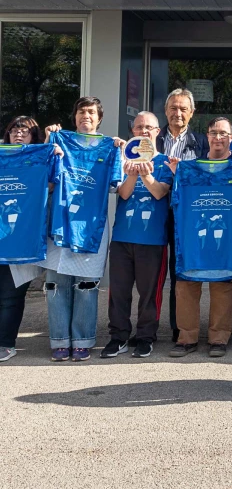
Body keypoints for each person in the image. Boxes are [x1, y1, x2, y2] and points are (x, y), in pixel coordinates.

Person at [42, 97, 123, 362]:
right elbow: (43, 176)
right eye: (80, 111)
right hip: (60, 224)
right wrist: (48, 143)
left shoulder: (110, 148)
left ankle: (83, 340)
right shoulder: (58, 141)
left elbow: (115, 186)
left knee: (86, 286)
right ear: (74, 117)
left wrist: (121, 152)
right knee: (56, 284)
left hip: (91, 227)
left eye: (91, 112)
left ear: (99, 118)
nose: (85, 115)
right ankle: (59, 341)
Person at [170, 117, 232, 358]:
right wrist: (176, 173)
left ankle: (219, 338)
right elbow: (176, 200)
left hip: (227, 239)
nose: (218, 138)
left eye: (224, 133)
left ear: (231, 137)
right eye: (214, 133)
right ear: (207, 136)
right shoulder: (190, 169)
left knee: (223, 285)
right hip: (192, 238)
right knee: (186, 285)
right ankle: (186, 338)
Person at [102, 111, 172, 360]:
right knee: (118, 291)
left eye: (149, 127)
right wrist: (132, 173)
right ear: (133, 131)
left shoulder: (165, 161)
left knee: (149, 293)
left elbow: (160, 192)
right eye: (139, 126)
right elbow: (122, 194)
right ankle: (118, 336)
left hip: (152, 240)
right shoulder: (122, 159)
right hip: (122, 237)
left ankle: (145, 337)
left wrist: (146, 173)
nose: (144, 131)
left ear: (157, 132)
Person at [155, 88, 209, 343]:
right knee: (151, 273)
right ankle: (147, 329)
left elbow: (209, 179)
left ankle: (180, 328)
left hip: (187, 219)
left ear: (192, 113)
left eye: (183, 108)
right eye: (173, 108)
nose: (178, 113)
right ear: (165, 111)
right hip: (153, 214)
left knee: (181, 272)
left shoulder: (203, 143)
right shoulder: (151, 140)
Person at [0, 116, 46, 362]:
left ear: (33, 136)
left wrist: (54, 147)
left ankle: (6, 343)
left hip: (22, 240)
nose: (18, 133)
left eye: (25, 131)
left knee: (11, 296)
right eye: (14, 130)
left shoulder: (39, 161)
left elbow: (51, 185)